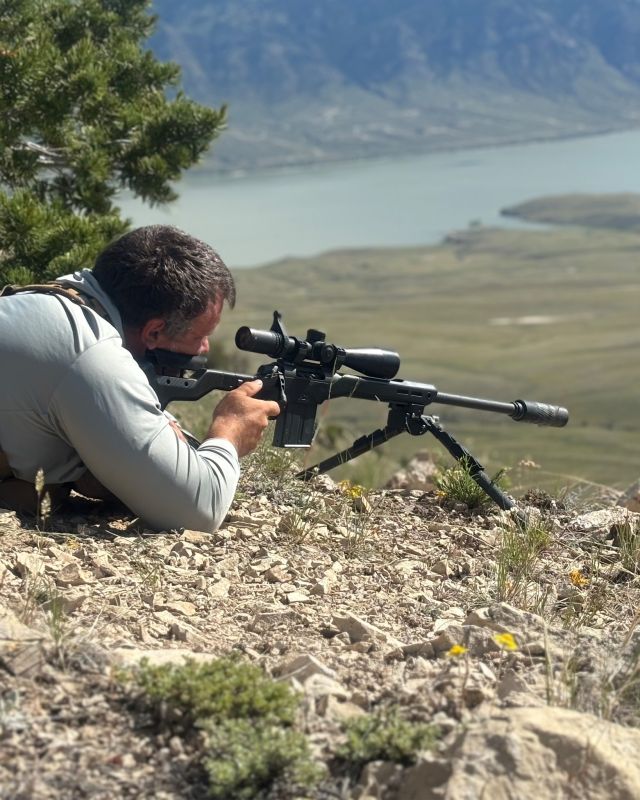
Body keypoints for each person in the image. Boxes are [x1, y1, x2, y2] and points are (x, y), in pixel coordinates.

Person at [0, 225, 280, 532]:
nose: (205, 348)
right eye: (201, 336)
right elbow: (198, 511)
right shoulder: (91, 355)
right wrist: (229, 433)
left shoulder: (53, 300)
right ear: (154, 332)